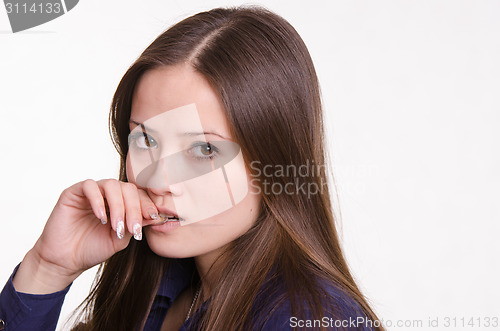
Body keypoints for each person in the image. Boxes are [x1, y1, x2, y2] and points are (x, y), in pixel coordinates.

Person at [0, 5, 383, 331]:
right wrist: (47, 269)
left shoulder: (314, 319)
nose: (158, 179)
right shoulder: (154, 284)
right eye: (146, 140)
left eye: (203, 149)